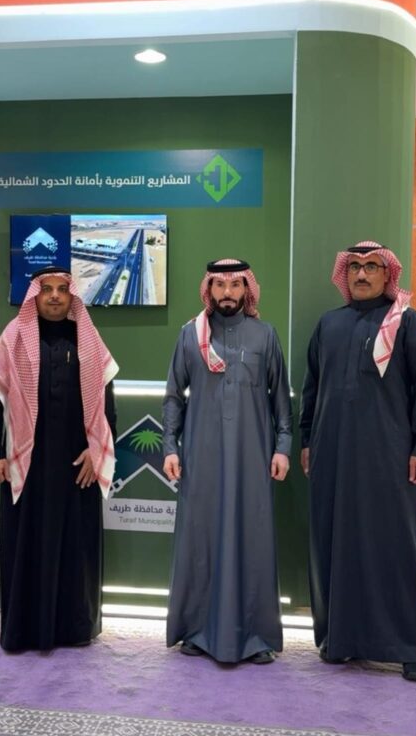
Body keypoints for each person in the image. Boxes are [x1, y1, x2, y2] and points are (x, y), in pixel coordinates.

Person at [300, 241, 416, 682]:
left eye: (372, 266)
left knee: (394, 546)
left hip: (389, 457)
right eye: (355, 267)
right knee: (335, 544)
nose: (362, 274)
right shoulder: (329, 325)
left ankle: (411, 647)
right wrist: (307, 440)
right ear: (345, 273)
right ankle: (340, 641)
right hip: (332, 455)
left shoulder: (409, 324)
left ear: (387, 273)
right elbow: (312, 387)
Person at [0, 266, 118, 651]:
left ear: (72, 296)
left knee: (76, 547)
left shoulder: (87, 339)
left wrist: (96, 451)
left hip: (77, 466)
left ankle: (75, 629)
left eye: (62, 290)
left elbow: (106, 404)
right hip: (27, 465)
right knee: (26, 545)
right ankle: (24, 630)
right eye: (47, 290)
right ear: (35, 296)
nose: (55, 296)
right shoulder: (14, 337)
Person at [162, 258, 292, 664]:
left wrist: (283, 446)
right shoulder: (191, 335)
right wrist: (169, 447)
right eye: (219, 285)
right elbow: (173, 396)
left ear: (247, 289)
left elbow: (280, 398)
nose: (227, 293)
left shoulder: (265, 335)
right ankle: (196, 631)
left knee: (253, 539)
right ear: (209, 289)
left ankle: (256, 637)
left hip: (253, 457)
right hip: (200, 456)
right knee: (200, 539)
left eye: (236, 285)